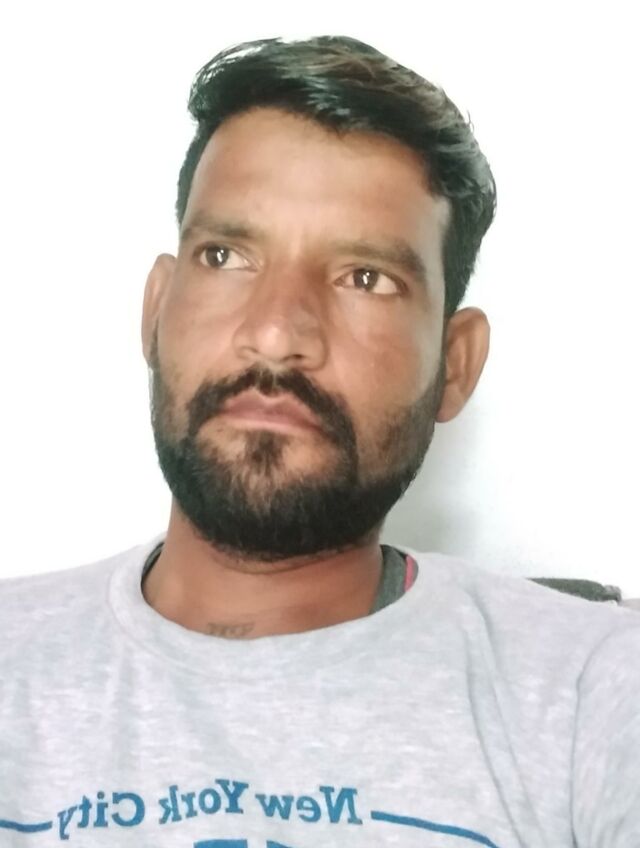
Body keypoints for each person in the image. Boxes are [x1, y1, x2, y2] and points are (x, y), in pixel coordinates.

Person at [1, 35, 638, 848]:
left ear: (455, 365)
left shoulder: (592, 685)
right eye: (226, 256)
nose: (276, 334)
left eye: (365, 278)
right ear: (155, 310)